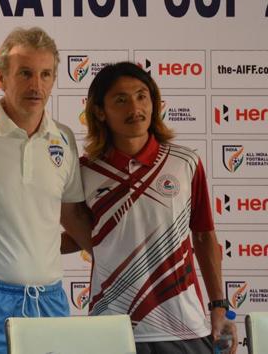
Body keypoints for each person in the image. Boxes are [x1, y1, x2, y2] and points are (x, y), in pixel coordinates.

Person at [0, 27, 92, 354]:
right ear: (1, 77)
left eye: (45, 74)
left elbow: (73, 218)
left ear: (54, 79)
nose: (36, 85)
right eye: (25, 73)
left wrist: (118, 252)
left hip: (50, 301)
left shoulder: (64, 138)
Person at [80, 62, 237, 354]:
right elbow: (79, 235)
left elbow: (204, 237)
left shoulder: (185, 162)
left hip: (183, 325)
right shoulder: (85, 171)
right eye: (121, 99)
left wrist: (219, 306)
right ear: (100, 111)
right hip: (112, 327)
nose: (135, 107)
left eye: (142, 96)